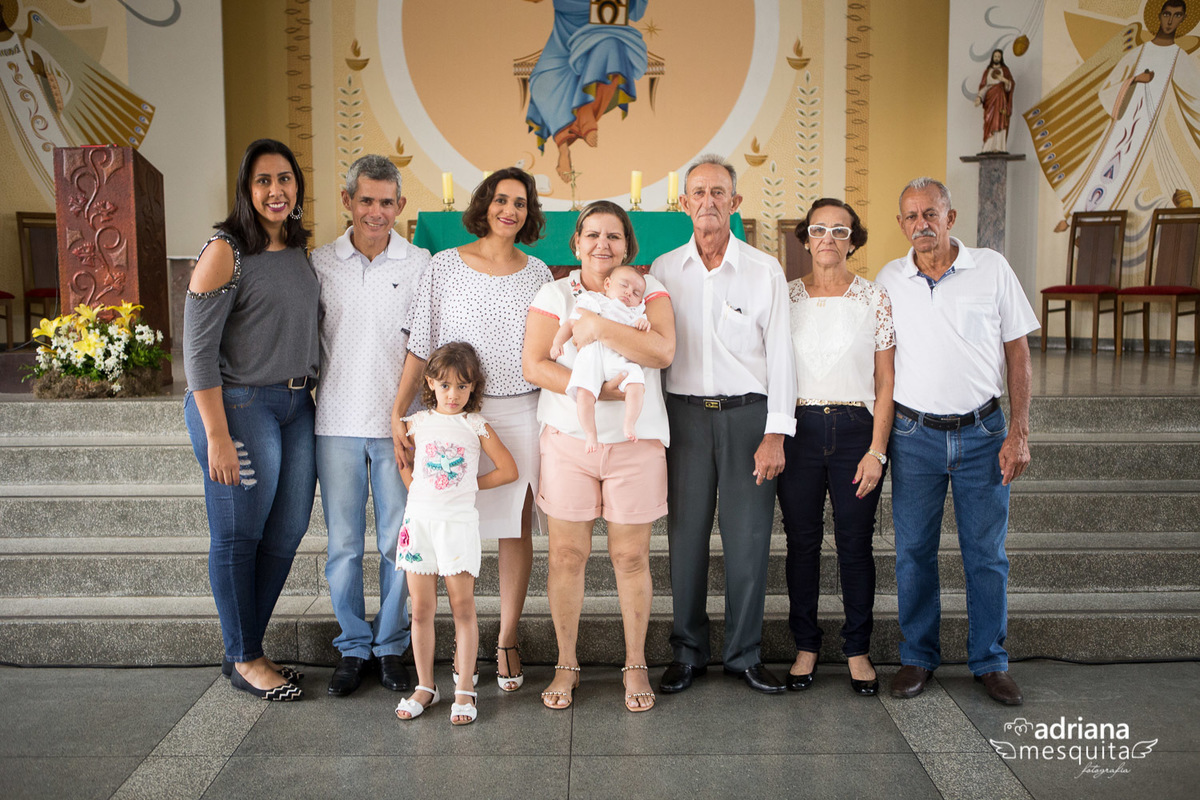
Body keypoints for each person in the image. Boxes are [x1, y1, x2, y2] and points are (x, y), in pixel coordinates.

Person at [876, 177, 1038, 706]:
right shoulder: (890, 279)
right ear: (901, 225)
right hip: (914, 435)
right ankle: (918, 657)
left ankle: (989, 661)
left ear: (950, 217)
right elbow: (881, 364)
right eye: (910, 216)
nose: (920, 224)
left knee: (985, 555)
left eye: (930, 213)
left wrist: (1019, 431)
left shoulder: (991, 268)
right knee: (913, 552)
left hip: (984, 433)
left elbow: (1018, 353)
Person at [392, 167, 552, 692]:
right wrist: (399, 413)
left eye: (521, 203)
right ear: (484, 205)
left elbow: (550, 350)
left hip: (520, 410)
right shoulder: (444, 267)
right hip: (452, 415)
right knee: (448, 512)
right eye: (502, 199)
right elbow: (421, 344)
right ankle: (448, 638)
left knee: (515, 524)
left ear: (530, 214)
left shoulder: (539, 274)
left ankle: (506, 638)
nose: (510, 210)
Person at [651, 155, 796, 695]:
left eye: (719, 192)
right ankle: (687, 652)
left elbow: (781, 356)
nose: (708, 201)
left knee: (749, 538)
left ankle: (744, 653)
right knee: (685, 538)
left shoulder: (764, 271)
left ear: (735, 203)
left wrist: (775, 432)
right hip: (684, 419)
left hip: (747, 419)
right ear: (684, 204)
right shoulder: (664, 271)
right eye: (698, 192)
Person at [524, 200, 674, 711]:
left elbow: (662, 352)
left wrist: (602, 328)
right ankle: (567, 663)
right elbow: (535, 364)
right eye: (592, 235)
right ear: (576, 243)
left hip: (636, 443)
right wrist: (594, 389)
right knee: (568, 556)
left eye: (613, 237)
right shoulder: (555, 293)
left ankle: (635, 664)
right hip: (570, 440)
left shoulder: (648, 290)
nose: (602, 245)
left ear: (629, 246)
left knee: (631, 557)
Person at [182, 138, 318, 701]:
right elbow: (196, 353)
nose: (275, 190)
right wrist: (216, 433)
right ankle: (246, 656)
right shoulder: (226, 250)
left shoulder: (299, 251)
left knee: (286, 531)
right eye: (263, 181)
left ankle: (245, 648)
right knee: (239, 533)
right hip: (238, 405)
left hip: (296, 406)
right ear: (246, 189)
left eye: (284, 179)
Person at [312, 154, 431, 697]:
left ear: (400, 206)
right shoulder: (319, 263)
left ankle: (389, 645)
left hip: (398, 427)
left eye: (387, 202)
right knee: (342, 545)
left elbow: (425, 344)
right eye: (367, 201)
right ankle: (352, 645)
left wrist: (411, 415)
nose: (377, 212)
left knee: (393, 542)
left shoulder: (420, 263)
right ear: (348, 202)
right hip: (334, 421)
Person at [776, 199, 894, 696]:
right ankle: (806, 645)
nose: (828, 237)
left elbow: (886, 381)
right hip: (799, 428)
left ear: (853, 240)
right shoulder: (785, 298)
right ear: (805, 238)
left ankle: (857, 649)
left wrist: (877, 450)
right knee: (801, 543)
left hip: (855, 431)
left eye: (839, 230)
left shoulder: (875, 298)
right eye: (819, 229)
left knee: (854, 544)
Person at [394, 342, 519, 725]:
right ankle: (425, 687)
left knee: (463, 608)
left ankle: (465, 689)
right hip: (419, 524)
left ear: (473, 387)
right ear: (430, 383)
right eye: (445, 386)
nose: (453, 395)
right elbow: (403, 464)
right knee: (420, 610)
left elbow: (508, 470)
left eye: (462, 387)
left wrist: (468, 485)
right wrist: (420, 491)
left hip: (458, 526)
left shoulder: (475, 425)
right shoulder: (414, 424)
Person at [1027, 0, 1199, 230]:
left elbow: (1195, 98)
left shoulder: (1180, 58)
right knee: (1101, 169)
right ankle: (1075, 221)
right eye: (1167, 14)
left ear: (1183, 20)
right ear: (1158, 16)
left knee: (1125, 177)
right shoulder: (1137, 53)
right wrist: (1136, 80)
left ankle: (1083, 225)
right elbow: (1108, 89)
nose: (1170, 20)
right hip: (1123, 125)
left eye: (1177, 16)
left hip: (1151, 132)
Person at [525, 0, 650, 181]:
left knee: (612, 47)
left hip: (600, 31)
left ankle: (585, 118)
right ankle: (563, 149)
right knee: (541, 83)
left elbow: (635, 13)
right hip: (563, 40)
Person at [550, 263, 651, 450]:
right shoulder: (592, 300)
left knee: (636, 382)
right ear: (607, 284)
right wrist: (557, 343)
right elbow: (571, 324)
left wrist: (643, 324)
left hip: (618, 356)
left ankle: (629, 422)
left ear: (640, 301)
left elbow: (641, 332)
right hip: (591, 355)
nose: (629, 292)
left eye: (636, 293)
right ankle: (590, 433)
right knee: (584, 393)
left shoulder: (635, 312)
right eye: (624, 285)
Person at [974, 49, 1014, 153]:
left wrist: (1003, 79)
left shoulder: (1005, 70)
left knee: (1000, 120)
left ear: (1001, 58)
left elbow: (1009, 87)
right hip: (990, 101)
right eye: (995, 56)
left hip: (1001, 100)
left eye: (998, 56)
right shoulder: (987, 72)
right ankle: (988, 147)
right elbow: (984, 87)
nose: (997, 58)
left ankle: (999, 146)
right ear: (992, 57)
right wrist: (979, 97)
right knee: (989, 121)